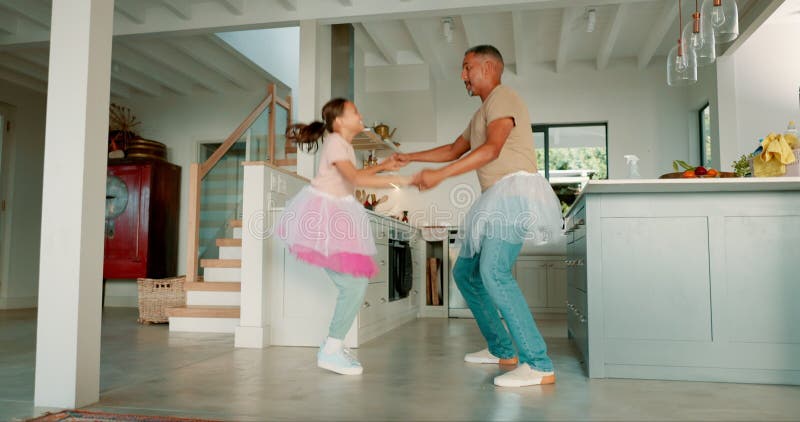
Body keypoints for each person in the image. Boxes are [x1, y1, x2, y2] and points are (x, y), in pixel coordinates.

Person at [398, 45, 563, 387]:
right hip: (495, 198)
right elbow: (454, 149)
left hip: (514, 193)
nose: (463, 76)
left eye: (466, 67)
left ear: (488, 67)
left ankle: (539, 363)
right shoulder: (481, 113)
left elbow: (493, 149)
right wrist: (410, 157)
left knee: (494, 271)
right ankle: (502, 349)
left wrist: (440, 177)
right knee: (466, 272)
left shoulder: (503, 96)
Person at [278, 98, 412, 375]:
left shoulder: (344, 145)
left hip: (337, 216)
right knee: (353, 286)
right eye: (355, 112)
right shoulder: (336, 142)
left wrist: (384, 165)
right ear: (339, 121)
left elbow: (354, 175)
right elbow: (357, 180)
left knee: (354, 284)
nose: (361, 115)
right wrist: (400, 180)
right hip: (325, 217)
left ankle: (333, 346)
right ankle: (331, 349)